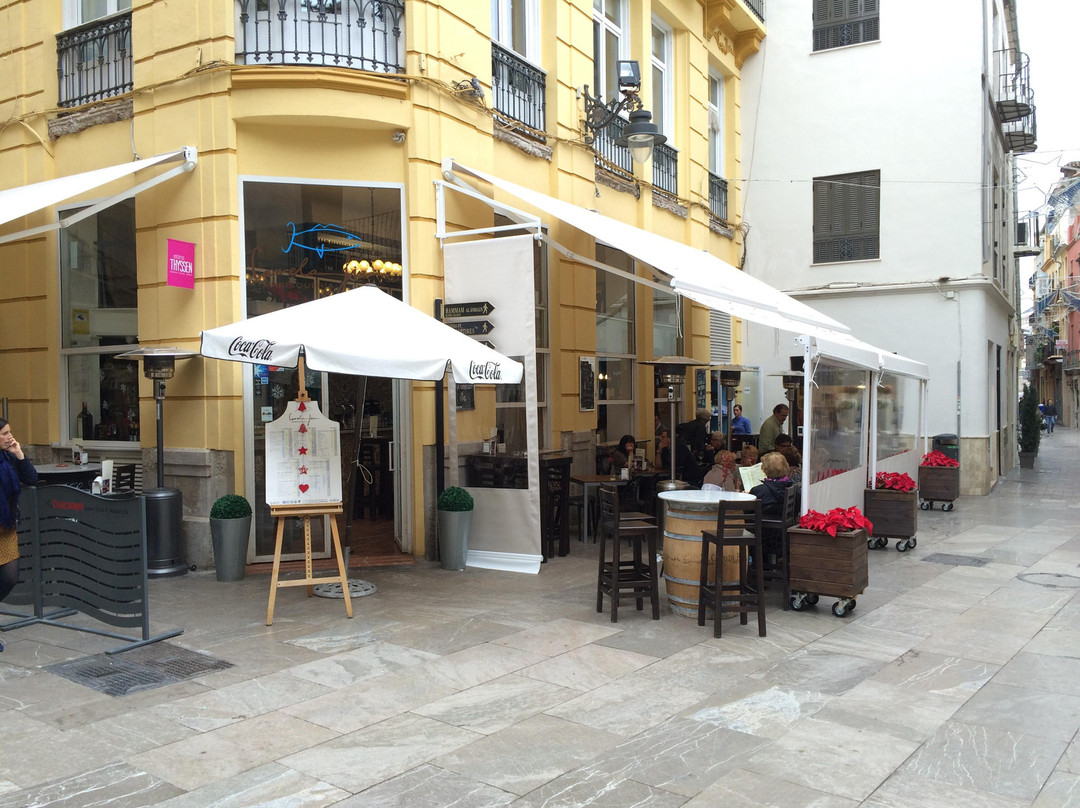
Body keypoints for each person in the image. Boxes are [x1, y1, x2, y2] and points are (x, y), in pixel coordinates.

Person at [0, 418, 38, 651]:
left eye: (10, 432)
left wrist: (19, 454)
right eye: (4, 433)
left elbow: (31, 478)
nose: (9, 437)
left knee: (9, 577)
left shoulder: (8, 458)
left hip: (6, 528)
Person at [749, 451, 798, 561]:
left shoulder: (759, 491)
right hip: (785, 537)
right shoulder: (794, 489)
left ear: (765, 470)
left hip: (762, 539)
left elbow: (747, 514)